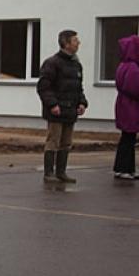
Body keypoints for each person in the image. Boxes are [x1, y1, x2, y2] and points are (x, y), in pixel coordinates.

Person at [37, 29, 88, 183]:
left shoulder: (76, 65)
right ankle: (48, 173)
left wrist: (82, 102)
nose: (78, 43)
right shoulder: (52, 63)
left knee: (66, 142)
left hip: (71, 110)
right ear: (66, 44)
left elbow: (79, 88)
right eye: (75, 40)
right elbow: (44, 87)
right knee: (53, 141)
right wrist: (52, 104)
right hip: (57, 111)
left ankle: (61, 172)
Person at [113, 35, 139, 180]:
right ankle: (125, 169)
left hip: (124, 105)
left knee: (126, 138)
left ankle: (124, 168)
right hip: (131, 107)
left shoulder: (123, 66)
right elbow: (134, 89)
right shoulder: (134, 69)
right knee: (129, 139)